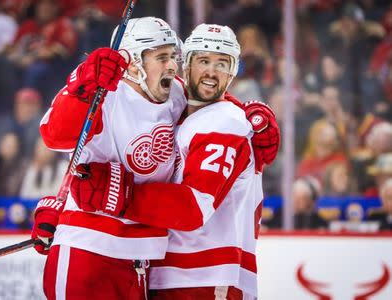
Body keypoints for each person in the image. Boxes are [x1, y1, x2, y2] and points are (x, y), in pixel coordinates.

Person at [33, 18, 279, 299]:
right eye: (162, 57)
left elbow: (211, 96)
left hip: (142, 264)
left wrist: (252, 119)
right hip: (88, 251)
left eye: (174, 56)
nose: (172, 65)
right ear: (134, 62)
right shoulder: (103, 94)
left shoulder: (175, 94)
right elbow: (59, 138)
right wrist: (82, 85)